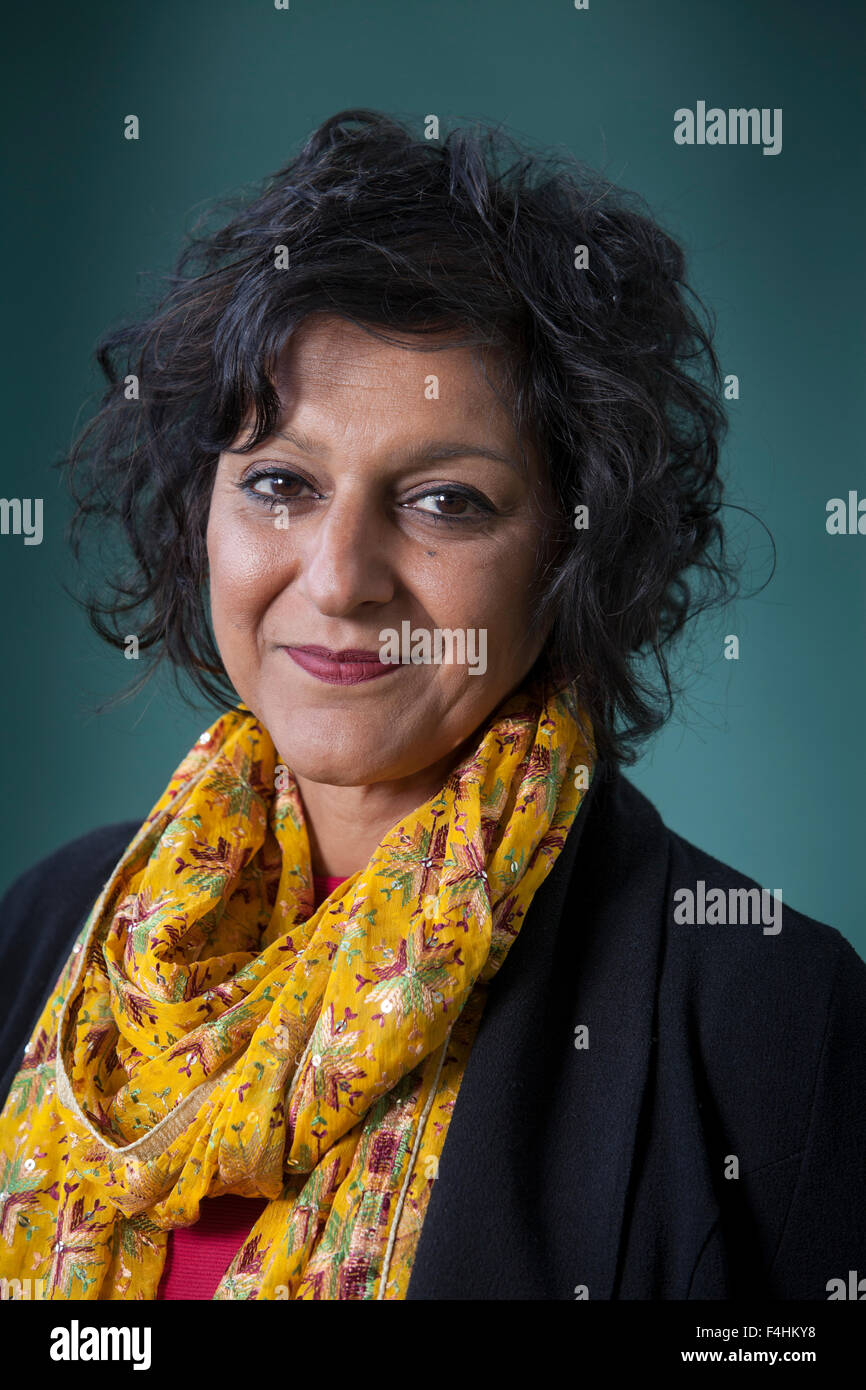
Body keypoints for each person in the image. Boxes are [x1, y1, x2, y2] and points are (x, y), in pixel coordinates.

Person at [0, 108, 863, 1302]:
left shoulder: (769, 1022)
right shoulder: (44, 936)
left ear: (575, 550)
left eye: (446, 501)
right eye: (279, 483)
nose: (342, 576)